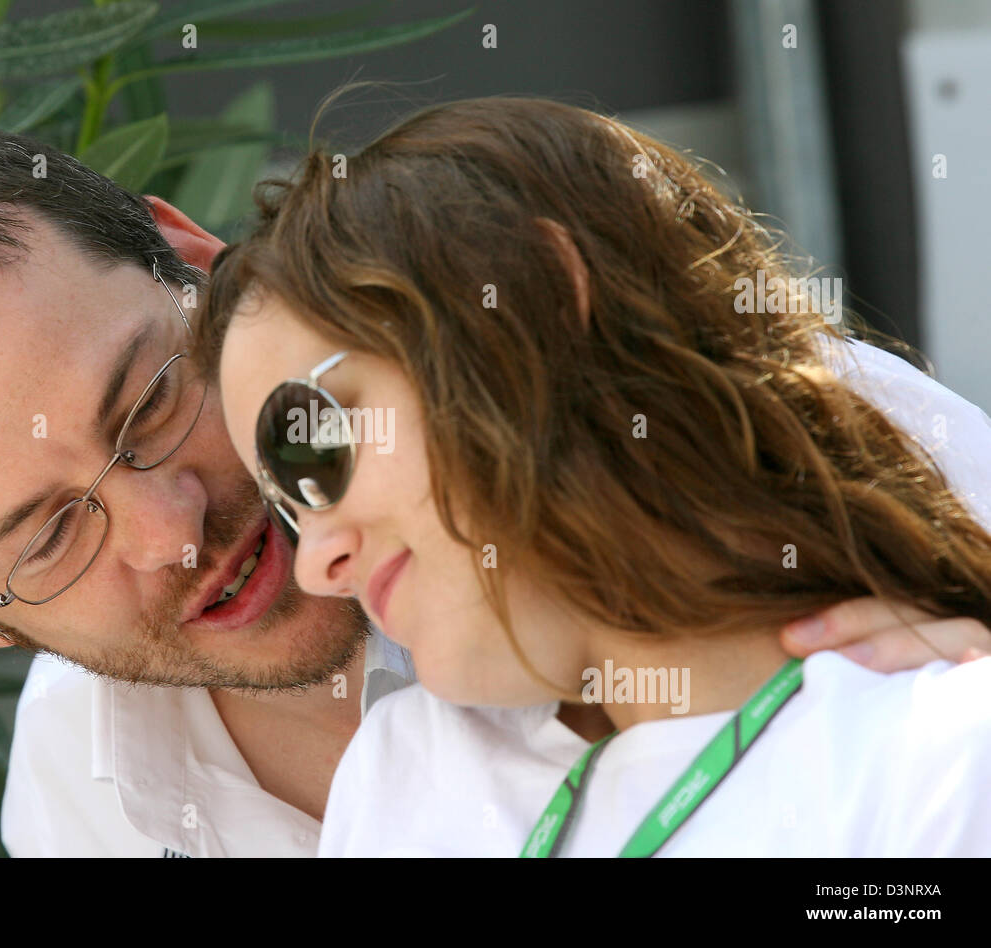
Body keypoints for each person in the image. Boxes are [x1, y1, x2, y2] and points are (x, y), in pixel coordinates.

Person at [0, 123, 990, 857]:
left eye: (154, 400)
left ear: (195, 264)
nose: (172, 530)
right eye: (55, 532)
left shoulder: (728, 417)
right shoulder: (90, 798)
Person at [195, 95, 991, 856]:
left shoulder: (939, 755)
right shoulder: (409, 779)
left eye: (309, 444)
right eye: (285, 504)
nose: (315, 563)